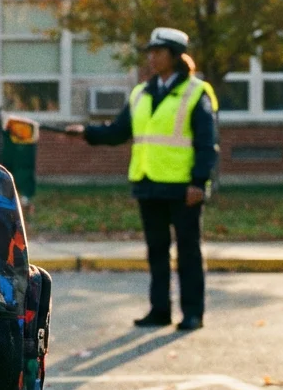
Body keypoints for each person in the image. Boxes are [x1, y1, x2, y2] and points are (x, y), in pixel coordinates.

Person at [66, 27, 218, 331]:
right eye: (150, 51)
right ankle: (159, 310)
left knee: (188, 251)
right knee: (157, 251)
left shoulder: (196, 92)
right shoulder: (141, 93)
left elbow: (207, 143)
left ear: (174, 57)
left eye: (158, 52)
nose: (151, 57)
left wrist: (199, 183)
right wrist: (87, 133)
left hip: (182, 186)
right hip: (148, 184)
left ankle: (192, 313)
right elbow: (119, 131)